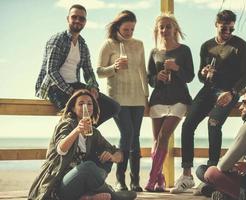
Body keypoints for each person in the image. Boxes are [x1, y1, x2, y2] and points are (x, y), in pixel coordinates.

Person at [171, 9, 246, 194]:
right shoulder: (206, 46)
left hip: (229, 91)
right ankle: (187, 175)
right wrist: (204, 73)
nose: (228, 33)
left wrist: (232, 93)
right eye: (224, 29)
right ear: (216, 25)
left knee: (213, 123)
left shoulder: (241, 46)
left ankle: (210, 175)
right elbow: (201, 76)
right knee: (188, 124)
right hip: (208, 90)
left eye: (231, 29)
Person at [28, 89, 137, 200]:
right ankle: (113, 196)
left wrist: (112, 156)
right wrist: (77, 130)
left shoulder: (93, 132)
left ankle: (87, 196)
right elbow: (61, 149)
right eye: (81, 104)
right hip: (58, 186)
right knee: (87, 167)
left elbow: (119, 154)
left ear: (93, 108)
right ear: (73, 108)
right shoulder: (66, 125)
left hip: (79, 183)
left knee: (105, 158)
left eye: (89, 104)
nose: (86, 106)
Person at [35, 4, 120, 126]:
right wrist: (71, 91)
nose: (78, 21)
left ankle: (87, 131)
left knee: (113, 106)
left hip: (76, 86)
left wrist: (93, 87)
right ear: (67, 19)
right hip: (56, 88)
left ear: (85, 22)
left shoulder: (82, 44)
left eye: (82, 18)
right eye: (74, 17)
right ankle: (76, 135)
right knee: (72, 119)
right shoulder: (57, 40)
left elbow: (88, 71)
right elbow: (51, 70)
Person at [97, 10, 149, 192]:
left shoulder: (139, 44)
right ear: (118, 26)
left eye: (132, 29)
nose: (129, 32)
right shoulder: (108, 44)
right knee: (127, 134)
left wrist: (146, 97)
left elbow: (143, 71)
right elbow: (99, 71)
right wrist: (114, 67)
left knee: (135, 137)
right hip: (117, 98)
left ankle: (135, 181)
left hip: (138, 98)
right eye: (126, 29)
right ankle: (121, 180)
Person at [195, 84, 246, 200]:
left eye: (244, 102)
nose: (241, 107)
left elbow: (223, 166)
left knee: (208, 171)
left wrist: (232, 167)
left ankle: (220, 193)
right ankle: (219, 192)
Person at [145, 13, 195, 192]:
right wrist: (157, 77)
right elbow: (149, 79)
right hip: (158, 99)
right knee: (156, 139)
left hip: (179, 99)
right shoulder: (154, 52)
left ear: (175, 29)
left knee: (163, 136)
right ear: (158, 30)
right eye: (162, 27)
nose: (165, 30)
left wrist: (177, 68)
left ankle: (151, 179)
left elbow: (190, 76)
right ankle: (160, 181)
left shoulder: (184, 50)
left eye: (168, 26)